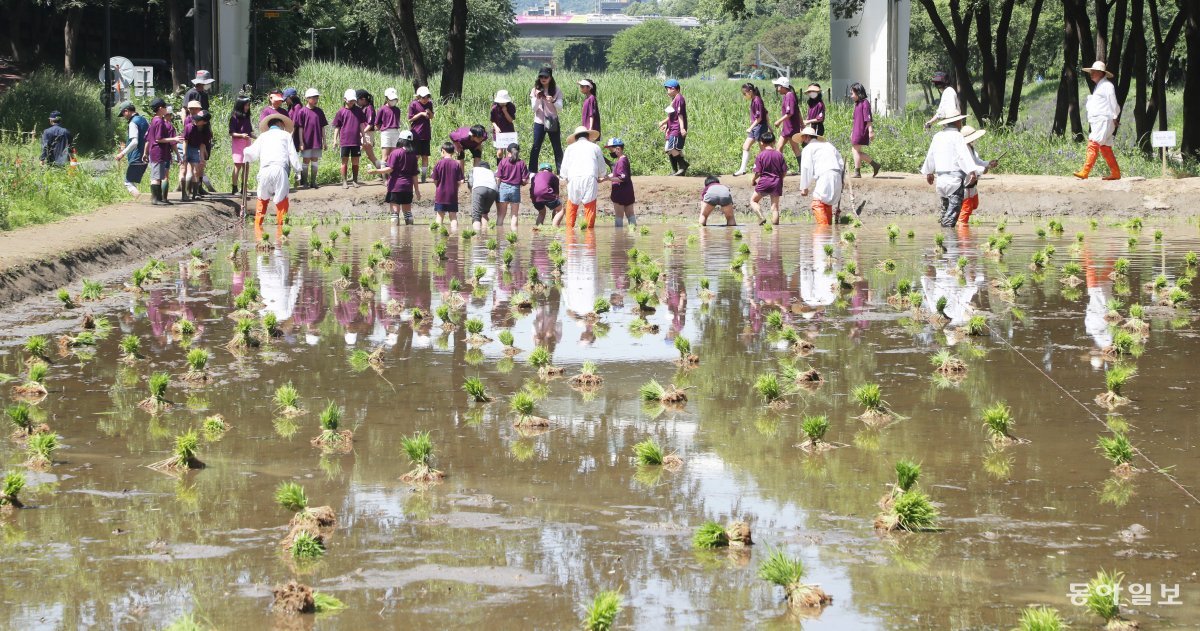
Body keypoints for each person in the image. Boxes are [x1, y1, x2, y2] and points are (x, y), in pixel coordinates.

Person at [919, 114, 985, 227]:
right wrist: (972, 171)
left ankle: (942, 241)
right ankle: (949, 240)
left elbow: (931, 154)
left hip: (941, 181)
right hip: (954, 182)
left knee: (945, 212)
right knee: (951, 218)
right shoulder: (957, 136)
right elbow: (962, 156)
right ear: (958, 122)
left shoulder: (937, 136)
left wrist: (929, 172)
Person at [243, 113, 301, 228]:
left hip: (265, 171)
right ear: (279, 124)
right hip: (280, 170)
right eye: (283, 125)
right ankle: (281, 233)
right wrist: (297, 170)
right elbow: (292, 154)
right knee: (281, 200)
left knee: (262, 199)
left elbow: (251, 153)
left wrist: (245, 152)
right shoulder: (286, 135)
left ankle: (258, 231)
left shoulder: (263, 136)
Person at [1074, 61, 1121, 181]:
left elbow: (1113, 102)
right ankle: (1115, 173)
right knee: (1105, 146)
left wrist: (1115, 116)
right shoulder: (1100, 86)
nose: (1091, 73)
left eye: (1093, 72)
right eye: (1091, 71)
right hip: (1100, 121)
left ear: (1101, 73)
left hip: (1103, 120)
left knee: (1093, 142)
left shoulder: (1107, 86)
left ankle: (1085, 171)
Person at [557, 126, 606, 230]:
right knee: (590, 204)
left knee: (572, 204)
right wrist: (601, 175)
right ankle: (589, 234)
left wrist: (563, 178)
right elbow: (602, 166)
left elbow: (564, 168)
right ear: (588, 136)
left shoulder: (570, 148)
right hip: (590, 177)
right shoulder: (595, 147)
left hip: (573, 178)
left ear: (576, 138)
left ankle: (570, 233)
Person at [796, 126, 845, 226]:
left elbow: (806, 168)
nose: (802, 141)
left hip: (825, 176)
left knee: (817, 203)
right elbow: (841, 163)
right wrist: (841, 181)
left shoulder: (808, 148)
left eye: (802, 138)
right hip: (837, 176)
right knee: (826, 203)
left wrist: (804, 188)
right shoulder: (828, 145)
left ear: (806, 137)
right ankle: (828, 232)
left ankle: (823, 231)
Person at [369, 131, 421, 224]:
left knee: (394, 214)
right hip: (408, 187)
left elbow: (390, 169)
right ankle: (408, 235)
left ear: (400, 140)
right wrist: (417, 190)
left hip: (395, 187)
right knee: (408, 213)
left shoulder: (395, 153)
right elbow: (414, 175)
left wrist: (376, 171)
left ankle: (394, 237)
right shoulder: (413, 156)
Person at [958, 124, 998, 226]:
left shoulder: (971, 148)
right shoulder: (963, 150)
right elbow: (970, 166)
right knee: (966, 211)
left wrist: (988, 163)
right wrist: (984, 168)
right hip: (967, 183)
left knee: (974, 205)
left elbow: (977, 161)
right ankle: (962, 234)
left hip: (973, 183)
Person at [144, 98, 182, 205]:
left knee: (159, 176)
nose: (166, 109)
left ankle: (159, 198)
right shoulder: (159, 121)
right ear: (160, 108)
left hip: (157, 152)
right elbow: (158, 139)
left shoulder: (155, 120)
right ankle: (156, 199)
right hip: (158, 151)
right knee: (156, 176)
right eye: (165, 107)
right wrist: (174, 139)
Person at [529, 67, 564, 170]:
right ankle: (532, 170)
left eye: (546, 76)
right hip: (539, 121)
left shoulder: (556, 90)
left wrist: (553, 100)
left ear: (550, 77)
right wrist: (538, 99)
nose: (543, 79)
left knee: (557, 146)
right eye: (541, 76)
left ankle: (560, 170)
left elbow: (560, 107)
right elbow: (534, 108)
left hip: (552, 120)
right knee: (536, 146)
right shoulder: (535, 90)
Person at [332, 88, 367, 188]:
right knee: (344, 161)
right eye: (350, 100)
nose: (352, 102)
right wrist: (335, 140)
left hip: (355, 141)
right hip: (345, 141)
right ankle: (344, 181)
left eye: (353, 100)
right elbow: (337, 127)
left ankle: (355, 180)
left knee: (355, 160)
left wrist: (363, 137)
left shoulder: (358, 111)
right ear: (345, 99)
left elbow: (361, 125)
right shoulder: (341, 112)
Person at [294, 88, 328, 189]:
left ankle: (313, 182)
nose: (315, 100)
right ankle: (304, 182)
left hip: (317, 140)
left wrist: (324, 141)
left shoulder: (319, 112)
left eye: (317, 97)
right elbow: (300, 128)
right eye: (313, 98)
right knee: (305, 161)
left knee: (315, 160)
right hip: (306, 141)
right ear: (307, 98)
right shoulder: (302, 112)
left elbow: (322, 127)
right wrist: (301, 142)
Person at [114, 101, 149, 196]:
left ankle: (140, 199)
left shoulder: (133, 123)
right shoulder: (144, 120)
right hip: (146, 156)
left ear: (126, 111)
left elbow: (134, 142)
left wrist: (122, 153)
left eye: (123, 114)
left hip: (136, 157)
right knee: (132, 181)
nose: (124, 117)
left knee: (128, 182)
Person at [751, 130, 786, 225]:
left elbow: (758, 172)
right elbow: (784, 171)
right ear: (774, 142)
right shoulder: (779, 155)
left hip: (764, 181)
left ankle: (761, 217)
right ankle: (776, 232)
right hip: (777, 182)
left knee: (753, 201)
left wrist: (753, 180)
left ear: (761, 142)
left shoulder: (761, 155)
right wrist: (780, 179)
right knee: (775, 208)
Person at [849, 82, 882, 178]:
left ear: (858, 93)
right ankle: (875, 165)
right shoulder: (857, 104)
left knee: (855, 150)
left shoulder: (865, 103)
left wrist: (871, 131)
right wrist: (852, 131)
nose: (851, 96)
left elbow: (868, 118)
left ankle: (857, 172)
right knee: (856, 151)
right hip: (856, 130)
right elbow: (855, 119)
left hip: (861, 131)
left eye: (852, 93)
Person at [735, 82, 767, 176]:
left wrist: (750, 127)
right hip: (756, 127)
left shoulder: (757, 100)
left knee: (763, 149)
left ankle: (762, 167)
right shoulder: (754, 100)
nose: (744, 95)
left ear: (750, 91)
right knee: (746, 146)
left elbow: (760, 118)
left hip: (759, 127)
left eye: (745, 93)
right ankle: (743, 169)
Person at [771, 77, 802, 174]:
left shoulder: (789, 96)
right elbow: (797, 111)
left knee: (793, 147)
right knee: (780, 147)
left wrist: (779, 121)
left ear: (783, 86)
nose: (776, 88)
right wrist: (802, 123)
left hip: (791, 127)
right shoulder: (787, 96)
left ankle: (800, 168)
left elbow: (790, 113)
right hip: (788, 127)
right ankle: (781, 168)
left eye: (777, 86)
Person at [431, 141, 464, 232]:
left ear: (443, 151)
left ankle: (438, 236)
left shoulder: (439, 163)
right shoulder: (456, 164)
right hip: (452, 194)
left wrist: (438, 185)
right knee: (453, 216)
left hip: (440, 194)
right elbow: (461, 180)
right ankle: (454, 236)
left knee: (440, 215)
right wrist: (456, 187)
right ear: (453, 152)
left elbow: (434, 179)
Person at [495, 143, 529, 230]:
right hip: (515, 189)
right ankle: (514, 236)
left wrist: (498, 189)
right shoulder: (521, 163)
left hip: (503, 188)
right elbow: (525, 180)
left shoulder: (503, 161)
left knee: (501, 214)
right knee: (514, 214)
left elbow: (498, 177)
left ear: (507, 151)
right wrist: (521, 182)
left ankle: (499, 236)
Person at [659, 79, 689, 176]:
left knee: (672, 148)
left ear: (673, 89)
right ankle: (676, 170)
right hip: (671, 128)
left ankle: (683, 166)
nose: (667, 91)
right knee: (668, 149)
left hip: (676, 127)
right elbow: (671, 116)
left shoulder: (679, 98)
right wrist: (664, 124)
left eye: (667, 89)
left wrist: (682, 128)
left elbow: (680, 115)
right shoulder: (674, 99)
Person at [605, 137, 636, 227]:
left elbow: (622, 177)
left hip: (620, 192)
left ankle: (618, 237)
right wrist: (605, 178)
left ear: (618, 149)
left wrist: (610, 179)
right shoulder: (623, 159)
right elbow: (616, 173)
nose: (610, 152)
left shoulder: (621, 161)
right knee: (630, 214)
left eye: (611, 150)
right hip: (628, 191)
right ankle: (633, 233)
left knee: (619, 216)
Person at [181, 110, 212, 200]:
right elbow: (185, 141)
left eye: (199, 120)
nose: (195, 120)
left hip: (196, 148)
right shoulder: (189, 126)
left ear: (204, 122)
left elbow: (202, 145)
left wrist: (201, 158)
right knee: (185, 170)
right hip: (186, 146)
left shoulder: (206, 132)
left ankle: (194, 194)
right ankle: (186, 193)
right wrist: (184, 155)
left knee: (196, 171)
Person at [408, 86, 435, 182]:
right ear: (418, 97)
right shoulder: (413, 104)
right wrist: (421, 114)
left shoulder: (429, 104)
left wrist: (429, 112)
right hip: (416, 134)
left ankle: (423, 177)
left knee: (425, 156)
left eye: (427, 97)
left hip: (426, 134)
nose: (425, 99)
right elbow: (410, 119)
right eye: (423, 97)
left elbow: (431, 117)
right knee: (415, 156)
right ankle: (413, 175)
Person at [229, 97, 254, 195]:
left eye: (248, 105)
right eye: (246, 105)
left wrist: (258, 137)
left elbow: (249, 132)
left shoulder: (246, 117)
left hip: (247, 143)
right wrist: (241, 135)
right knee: (238, 165)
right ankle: (234, 188)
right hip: (238, 144)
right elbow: (231, 133)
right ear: (240, 105)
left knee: (246, 166)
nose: (248, 107)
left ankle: (244, 189)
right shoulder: (234, 117)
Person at [468, 160, 499, 232]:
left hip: (479, 188)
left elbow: (470, 182)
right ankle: (485, 235)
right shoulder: (491, 172)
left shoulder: (474, 169)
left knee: (476, 216)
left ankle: (477, 237)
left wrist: (472, 191)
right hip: (492, 190)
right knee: (484, 213)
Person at [356, 89, 381, 170]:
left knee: (357, 154)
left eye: (357, 100)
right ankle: (383, 171)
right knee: (370, 156)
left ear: (363, 99)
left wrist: (362, 133)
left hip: (367, 133)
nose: (356, 102)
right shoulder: (364, 107)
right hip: (365, 133)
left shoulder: (369, 108)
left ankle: (384, 171)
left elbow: (370, 124)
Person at [376, 87, 404, 161]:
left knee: (394, 156)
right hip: (386, 132)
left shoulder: (397, 110)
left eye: (394, 99)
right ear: (386, 99)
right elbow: (377, 123)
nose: (393, 101)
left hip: (396, 132)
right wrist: (382, 130)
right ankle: (383, 172)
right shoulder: (382, 109)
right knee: (385, 156)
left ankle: (391, 172)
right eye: (391, 99)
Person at [490, 89, 516, 161]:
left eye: (504, 102)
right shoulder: (494, 107)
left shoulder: (511, 106)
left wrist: (505, 111)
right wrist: (496, 127)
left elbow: (511, 120)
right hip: (498, 132)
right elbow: (492, 120)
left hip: (509, 130)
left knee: (509, 151)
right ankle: (499, 167)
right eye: (501, 102)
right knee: (500, 151)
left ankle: (508, 166)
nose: (502, 103)